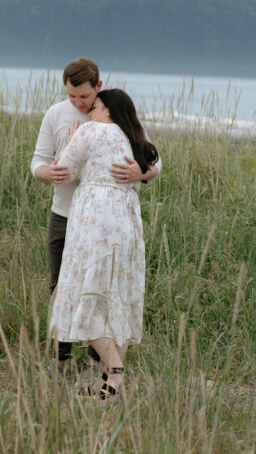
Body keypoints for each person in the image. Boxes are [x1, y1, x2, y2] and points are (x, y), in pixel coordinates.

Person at [31, 58, 160, 371]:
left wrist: (142, 173)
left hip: (104, 223)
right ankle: (61, 361)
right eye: (72, 96)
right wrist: (48, 173)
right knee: (60, 286)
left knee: (99, 289)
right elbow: (38, 163)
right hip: (64, 214)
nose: (78, 103)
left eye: (85, 97)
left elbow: (152, 158)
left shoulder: (111, 109)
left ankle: (97, 366)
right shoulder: (56, 115)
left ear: (98, 88)